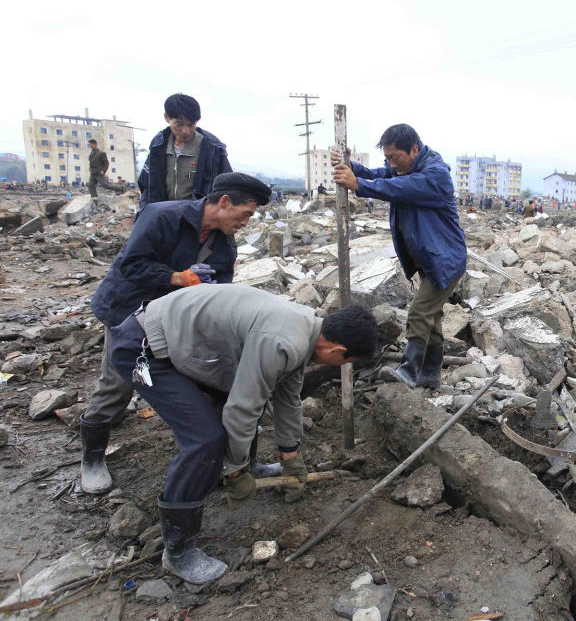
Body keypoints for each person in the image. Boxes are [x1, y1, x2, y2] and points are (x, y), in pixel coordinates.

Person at [109, 284, 377, 583]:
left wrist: (291, 456)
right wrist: (235, 471)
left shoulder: (306, 330)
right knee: (204, 439)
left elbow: (287, 396)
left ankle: (242, 467)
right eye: (347, 362)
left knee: (241, 404)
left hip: (183, 342)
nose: (343, 366)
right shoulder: (283, 340)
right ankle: (179, 551)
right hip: (143, 347)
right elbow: (242, 408)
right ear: (338, 351)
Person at [79, 173, 271, 495]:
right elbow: (130, 266)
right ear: (224, 202)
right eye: (246, 214)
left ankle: (235, 462)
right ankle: (92, 459)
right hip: (128, 313)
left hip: (176, 324)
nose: (245, 223)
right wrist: (177, 278)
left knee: (218, 378)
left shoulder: (224, 245)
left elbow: (220, 294)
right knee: (118, 386)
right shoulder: (162, 217)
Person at [332, 124, 466, 389]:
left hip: (446, 259)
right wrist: (353, 167)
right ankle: (430, 374)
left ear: (414, 149)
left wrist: (358, 184)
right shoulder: (406, 168)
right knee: (432, 317)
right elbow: (380, 175)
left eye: (395, 157)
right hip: (430, 258)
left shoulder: (435, 175)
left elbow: (398, 188)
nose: (391, 163)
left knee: (418, 312)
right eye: (388, 158)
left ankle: (408, 370)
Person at [137, 93, 232, 209]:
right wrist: (145, 212)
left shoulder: (212, 149)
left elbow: (227, 186)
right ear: (167, 117)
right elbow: (147, 185)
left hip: (198, 218)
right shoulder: (158, 145)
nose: (185, 131)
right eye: (179, 124)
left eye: (191, 125)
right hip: (163, 215)